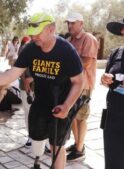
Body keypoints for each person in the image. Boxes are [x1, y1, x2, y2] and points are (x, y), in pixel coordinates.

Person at [0, 13, 84, 169]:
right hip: (40, 102)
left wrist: (67, 106)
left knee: (57, 146)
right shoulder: (30, 49)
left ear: (51, 29)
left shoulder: (66, 51)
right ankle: (37, 162)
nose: (34, 36)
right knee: (36, 140)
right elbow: (12, 74)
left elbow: (78, 82)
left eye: (38, 32)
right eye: (32, 33)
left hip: (60, 104)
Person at [65, 12, 99, 162]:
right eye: (68, 23)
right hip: (70, 85)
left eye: (73, 23)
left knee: (81, 117)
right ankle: (78, 144)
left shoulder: (88, 39)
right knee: (71, 116)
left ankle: (79, 150)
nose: (70, 25)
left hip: (83, 86)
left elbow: (85, 62)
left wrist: (65, 64)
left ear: (81, 24)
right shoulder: (68, 40)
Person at [101, 18, 124, 169]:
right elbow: (107, 77)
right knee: (112, 161)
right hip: (113, 114)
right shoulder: (116, 53)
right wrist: (105, 79)